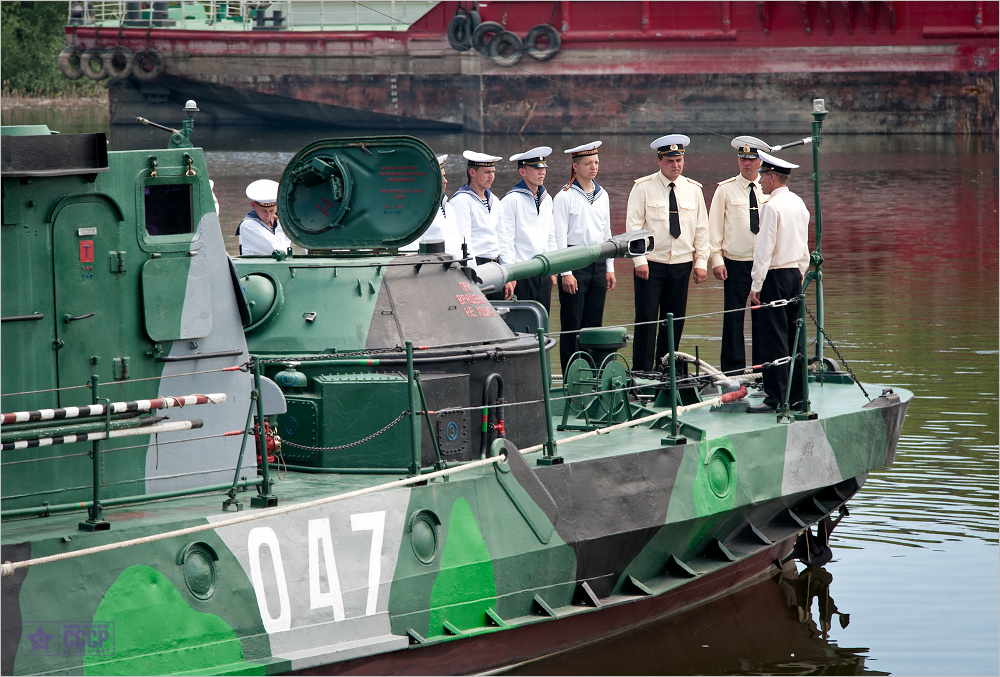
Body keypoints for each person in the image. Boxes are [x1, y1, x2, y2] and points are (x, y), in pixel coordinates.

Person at [626, 134, 709, 373]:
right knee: (646, 320)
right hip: (651, 264)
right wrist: (639, 260)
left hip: (681, 264)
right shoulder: (643, 187)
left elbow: (702, 229)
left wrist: (701, 262)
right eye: (670, 161)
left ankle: (665, 370)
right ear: (659, 161)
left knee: (674, 321)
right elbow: (633, 227)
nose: (675, 165)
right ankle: (642, 372)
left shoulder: (694, 190)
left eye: (679, 160)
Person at [747, 150, 811, 413]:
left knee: (774, 338)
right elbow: (804, 245)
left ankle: (775, 396)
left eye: (762, 175)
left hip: (774, 276)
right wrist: (801, 272)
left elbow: (764, 250)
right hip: (794, 274)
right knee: (795, 336)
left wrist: (756, 285)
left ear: (772, 177)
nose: (760, 180)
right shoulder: (799, 203)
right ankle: (797, 395)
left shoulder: (771, 207)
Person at [553, 141, 616, 374]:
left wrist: (609, 268)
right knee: (572, 324)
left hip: (598, 260)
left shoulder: (603, 195)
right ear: (575, 166)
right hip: (574, 261)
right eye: (588, 163)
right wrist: (566, 272)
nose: (593, 167)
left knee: (593, 324)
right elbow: (560, 236)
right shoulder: (564, 196)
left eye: (596, 162)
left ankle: (592, 374)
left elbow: (607, 233)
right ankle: (571, 376)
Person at [709, 135, 770, 375]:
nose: (747, 163)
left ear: (760, 161)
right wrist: (716, 259)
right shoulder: (725, 190)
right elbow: (714, 228)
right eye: (743, 159)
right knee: (733, 318)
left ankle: (762, 369)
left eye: (752, 159)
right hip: (735, 263)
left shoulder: (770, 187)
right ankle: (732, 372)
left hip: (764, 264)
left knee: (763, 318)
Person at [498, 146, 557, 311]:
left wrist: (554, 268)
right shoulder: (511, 200)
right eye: (536, 168)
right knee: (522, 320)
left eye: (543, 168)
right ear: (522, 172)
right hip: (521, 272)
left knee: (542, 320)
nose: (542, 172)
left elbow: (550, 236)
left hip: (543, 270)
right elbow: (506, 239)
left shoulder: (547, 199)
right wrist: (510, 273)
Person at [450, 150, 503, 299]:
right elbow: (464, 242)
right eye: (487, 172)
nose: (491, 176)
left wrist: (507, 271)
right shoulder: (462, 201)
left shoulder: (495, 201)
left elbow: (503, 237)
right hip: (477, 265)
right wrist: (473, 275)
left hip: (496, 267)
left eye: (493, 172)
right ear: (472, 172)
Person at [401, 154, 463, 259]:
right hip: (432, 266)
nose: (445, 181)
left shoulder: (448, 208)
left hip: (453, 266)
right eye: (441, 177)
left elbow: (456, 244)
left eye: (445, 176)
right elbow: (412, 249)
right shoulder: (418, 210)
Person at [238, 179, 291, 256]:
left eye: (272, 210)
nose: (268, 215)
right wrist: (281, 223)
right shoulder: (248, 225)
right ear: (253, 205)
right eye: (263, 211)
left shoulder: (275, 221)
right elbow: (279, 251)